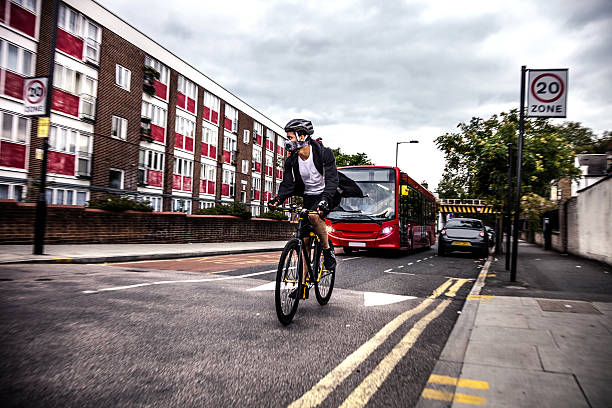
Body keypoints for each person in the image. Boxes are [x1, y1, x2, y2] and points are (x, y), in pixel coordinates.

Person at [268, 119, 338, 298]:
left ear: (302, 136)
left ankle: (327, 250)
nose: (287, 142)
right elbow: (288, 183)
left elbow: (332, 181)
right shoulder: (292, 161)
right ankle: (302, 285)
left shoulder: (324, 154)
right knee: (304, 242)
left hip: (327, 194)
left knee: (315, 217)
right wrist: (278, 199)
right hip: (308, 196)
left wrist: (325, 201)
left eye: (290, 137)